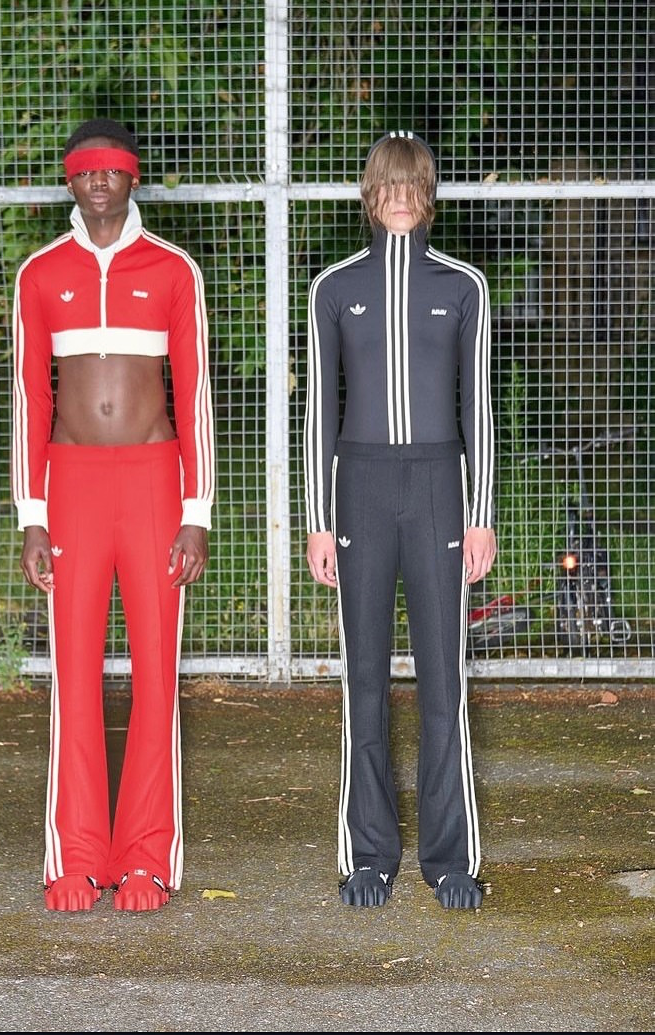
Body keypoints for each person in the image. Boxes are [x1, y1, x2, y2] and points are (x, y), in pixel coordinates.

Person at [11, 117, 215, 913]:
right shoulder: (40, 273)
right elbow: (29, 399)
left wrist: (197, 509)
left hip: (154, 483)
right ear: (71, 180)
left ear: (133, 178)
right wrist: (31, 513)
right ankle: (76, 856)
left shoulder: (172, 269)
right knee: (74, 673)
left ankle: (146, 859)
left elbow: (194, 394)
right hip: (72, 487)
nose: (99, 182)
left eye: (113, 170)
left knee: (157, 672)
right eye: (86, 171)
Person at [303, 130, 496, 911]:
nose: (401, 198)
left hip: (440, 487)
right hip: (361, 488)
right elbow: (320, 411)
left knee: (445, 676)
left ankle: (452, 858)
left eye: (414, 184)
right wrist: (319, 520)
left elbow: (478, 407)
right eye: (389, 184)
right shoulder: (333, 286)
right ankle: (369, 854)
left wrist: (480, 515)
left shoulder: (463, 285)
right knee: (365, 679)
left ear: (430, 194)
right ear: (370, 193)